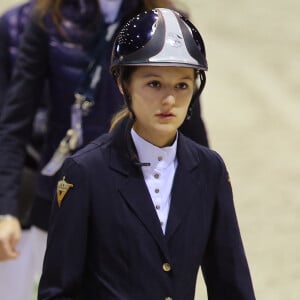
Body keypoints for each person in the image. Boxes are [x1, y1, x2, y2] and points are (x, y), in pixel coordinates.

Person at [38, 8, 255, 299]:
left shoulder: (209, 169)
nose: (168, 100)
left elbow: (231, 284)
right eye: (154, 84)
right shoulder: (85, 171)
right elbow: (59, 291)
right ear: (123, 84)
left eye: (181, 85)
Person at [0, 0, 208, 299]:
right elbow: (14, 121)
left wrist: (201, 205)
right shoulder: (48, 20)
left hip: (139, 203)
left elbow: (189, 125)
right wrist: (5, 209)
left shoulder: (168, 25)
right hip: (61, 201)